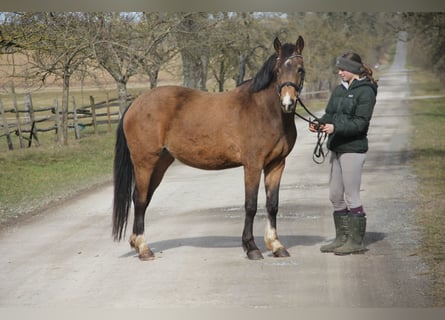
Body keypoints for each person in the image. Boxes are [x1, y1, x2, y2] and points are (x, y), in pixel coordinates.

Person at [309, 52, 378, 255]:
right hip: (337, 147)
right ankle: (341, 238)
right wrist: (319, 123)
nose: (340, 72)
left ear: (355, 70)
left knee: (351, 196)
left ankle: (355, 242)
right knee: (335, 196)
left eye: (343, 69)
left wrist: (335, 128)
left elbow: (360, 123)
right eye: (339, 69)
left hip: (353, 149)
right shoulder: (339, 90)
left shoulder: (366, 92)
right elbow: (330, 114)